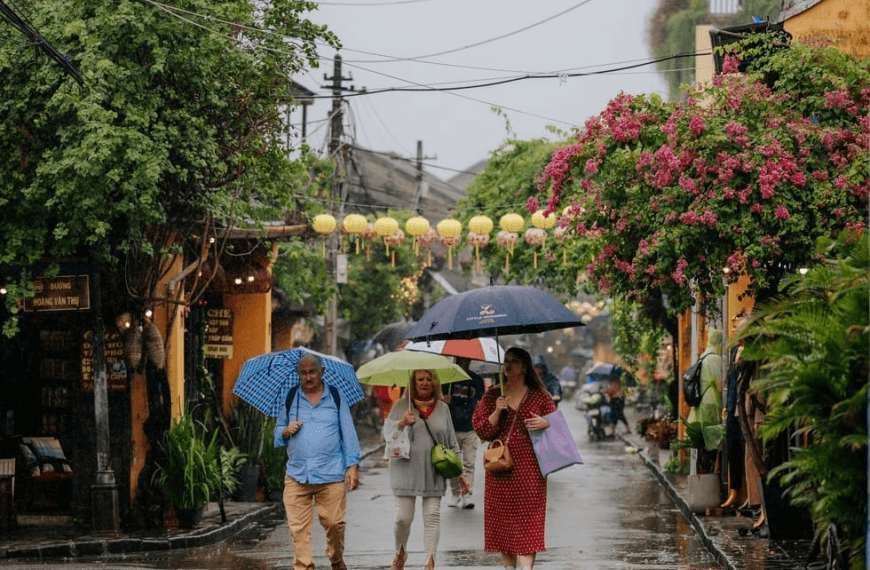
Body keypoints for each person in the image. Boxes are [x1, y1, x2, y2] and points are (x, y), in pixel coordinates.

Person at [274, 353, 361, 570]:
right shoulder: (291, 397)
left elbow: (348, 433)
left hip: (330, 475)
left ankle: (336, 557)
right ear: (298, 374)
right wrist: (285, 431)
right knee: (298, 530)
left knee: (335, 523)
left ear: (322, 372)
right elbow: (278, 431)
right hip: (297, 475)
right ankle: (304, 566)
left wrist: (352, 466)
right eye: (303, 373)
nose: (308, 377)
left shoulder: (335, 396)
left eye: (312, 372)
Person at [473, 347, 556, 570]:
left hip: (531, 467)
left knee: (529, 520)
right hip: (500, 467)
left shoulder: (539, 395)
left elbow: (558, 426)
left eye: (515, 361)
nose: (509, 365)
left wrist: (546, 423)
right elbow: (482, 430)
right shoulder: (493, 395)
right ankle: (509, 567)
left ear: (525, 366)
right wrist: (497, 411)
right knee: (504, 522)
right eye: (506, 361)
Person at [384, 369, 469, 570]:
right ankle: (400, 552)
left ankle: (429, 562)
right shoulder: (401, 405)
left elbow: (452, 442)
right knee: (403, 518)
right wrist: (402, 423)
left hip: (434, 470)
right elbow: (386, 436)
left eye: (429, 379)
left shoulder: (443, 408)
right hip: (404, 469)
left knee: (432, 516)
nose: (424, 383)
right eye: (420, 379)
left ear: (435, 383)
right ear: (413, 383)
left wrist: (462, 473)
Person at [443, 356, 486, 509]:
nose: (463, 363)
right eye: (460, 360)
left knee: (469, 463)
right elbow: (439, 399)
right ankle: (455, 494)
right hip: (452, 427)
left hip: (470, 427)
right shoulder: (448, 379)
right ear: (456, 360)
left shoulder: (476, 379)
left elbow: (482, 401)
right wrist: (444, 400)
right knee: (453, 464)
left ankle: (466, 495)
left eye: (466, 360)